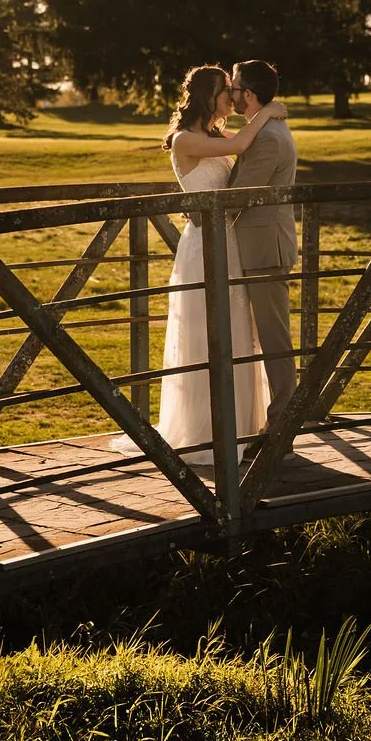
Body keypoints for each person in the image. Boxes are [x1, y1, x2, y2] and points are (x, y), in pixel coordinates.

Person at [155, 64, 288, 463]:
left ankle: (241, 429)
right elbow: (242, 147)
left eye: (233, 90)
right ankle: (206, 431)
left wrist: (261, 114)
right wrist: (265, 110)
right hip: (204, 249)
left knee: (237, 332)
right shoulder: (184, 141)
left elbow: (240, 151)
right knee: (207, 333)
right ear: (205, 97)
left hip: (230, 243)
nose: (231, 97)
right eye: (224, 91)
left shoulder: (212, 134)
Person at [227, 59, 298, 450]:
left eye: (235, 89)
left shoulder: (268, 136)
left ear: (248, 94)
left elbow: (241, 194)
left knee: (275, 338)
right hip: (260, 244)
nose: (232, 95)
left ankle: (281, 430)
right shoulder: (267, 128)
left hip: (265, 247)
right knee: (269, 336)